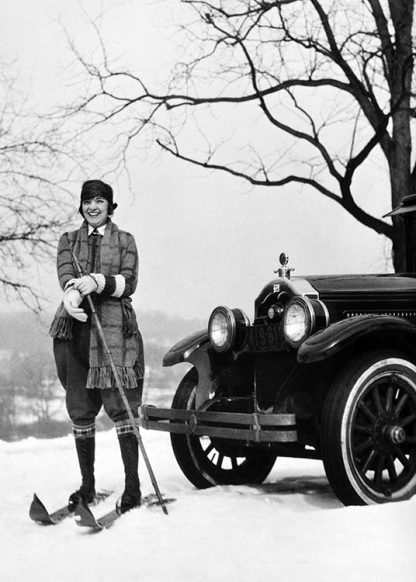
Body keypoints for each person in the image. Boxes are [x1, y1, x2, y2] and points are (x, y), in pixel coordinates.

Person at [49, 179, 144, 514]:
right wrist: (72, 292)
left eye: (99, 201)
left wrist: (100, 281)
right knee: (80, 405)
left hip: (114, 330)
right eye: (88, 201)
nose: (93, 207)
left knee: (121, 406)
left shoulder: (124, 240)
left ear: (110, 206)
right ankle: (87, 487)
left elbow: (129, 280)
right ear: (81, 205)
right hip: (74, 331)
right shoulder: (68, 241)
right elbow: (64, 271)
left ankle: (132, 487)